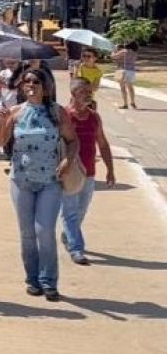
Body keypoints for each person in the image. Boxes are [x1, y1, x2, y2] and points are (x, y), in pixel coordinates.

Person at [0, 69, 79, 301]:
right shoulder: (15, 112)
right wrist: (3, 122)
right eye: (27, 81)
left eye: (36, 81)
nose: (31, 85)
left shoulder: (56, 112)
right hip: (21, 181)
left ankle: (48, 280)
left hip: (50, 181)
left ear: (46, 86)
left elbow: (72, 141)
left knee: (45, 231)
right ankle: (32, 278)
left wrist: (67, 161)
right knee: (27, 234)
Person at [61, 79, 115, 266]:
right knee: (70, 213)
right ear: (74, 94)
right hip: (70, 172)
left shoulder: (94, 117)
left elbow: (103, 143)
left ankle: (69, 234)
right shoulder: (65, 116)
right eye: (83, 91)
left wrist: (110, 169)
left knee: (81, 210)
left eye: (89, 90)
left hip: (89, 172)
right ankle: (76, 249)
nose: (88, 94)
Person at [111, 42, 138, 109]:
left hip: (122, 70)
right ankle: (132, 102)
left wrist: (114, 51)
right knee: (130, 88)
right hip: (132, 71)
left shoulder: (124, 51)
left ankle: (125, 104)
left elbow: (114, 56)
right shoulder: (134, 53)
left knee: (123, 88)